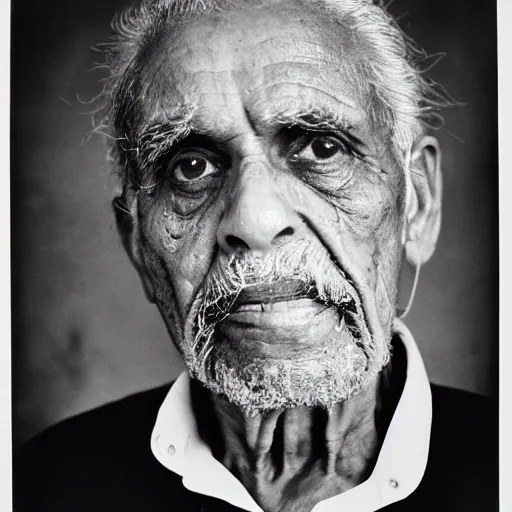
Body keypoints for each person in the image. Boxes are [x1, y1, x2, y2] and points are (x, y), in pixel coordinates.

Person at [14, 0, 498, 511]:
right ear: (137, 244)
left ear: (417, 202)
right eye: (192, 166)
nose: (255, 222)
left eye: (321, 148)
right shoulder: (43, 486)